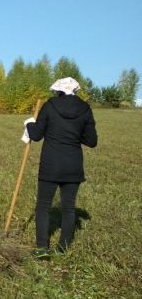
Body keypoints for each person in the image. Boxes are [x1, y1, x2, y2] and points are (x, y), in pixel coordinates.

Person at [24, 77, 97, 259]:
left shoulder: (50, 105)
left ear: (58, 90)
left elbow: (37, 135)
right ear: (75, 90)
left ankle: (42, 249)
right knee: (69, 208)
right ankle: (63, 248)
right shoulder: (85, 109)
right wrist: (74, 133)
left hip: (50, 164)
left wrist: (29, 124)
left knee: (43, 207)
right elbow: (91, 141)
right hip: (73, 165)